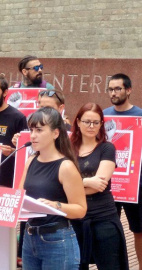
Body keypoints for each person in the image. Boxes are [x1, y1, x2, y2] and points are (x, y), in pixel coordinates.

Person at [19, 107, 87, 269]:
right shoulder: (31, 161)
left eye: (39, 130)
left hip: (58, 240)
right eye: (31, 130)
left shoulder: (66, 166)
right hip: (29, 237)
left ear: (55, 133)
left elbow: (80, 209)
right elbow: (20, 195)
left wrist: (54, 205)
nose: (33, 135)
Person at [70, 102, 129, 270]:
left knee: (110, 265)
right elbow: (58, 182)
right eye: (87, 121)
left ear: (102, 124)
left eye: (96, 122)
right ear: (78, 122)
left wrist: (72, 185)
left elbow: (99, 185)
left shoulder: (107, 148)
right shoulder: (67, 148)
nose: (91, 126)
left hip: (102, 217)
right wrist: (86, 181)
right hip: (74, 217)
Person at [103, 73, 142, 270]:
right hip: (109, 183)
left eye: (118, 89)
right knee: (110, 231)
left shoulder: (140, 116)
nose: (113, 93)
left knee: (139, 230)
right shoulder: (103, 115)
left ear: (128, 90)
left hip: (134, 183)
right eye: (110, 89)